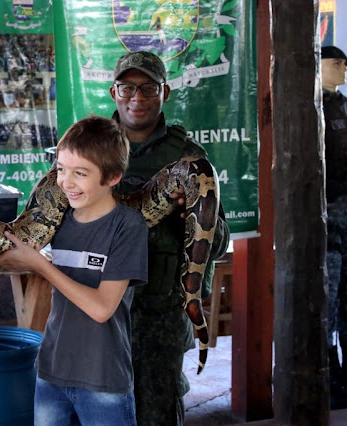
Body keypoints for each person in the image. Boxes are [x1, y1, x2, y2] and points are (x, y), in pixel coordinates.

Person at [0, 115, 147, 425]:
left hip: (103, 378)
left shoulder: (127, 226)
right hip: (51, 371)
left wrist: (42, 265)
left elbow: (101, 309)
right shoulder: (61, 222)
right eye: (60, 170)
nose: (66, 183)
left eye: (80, 173)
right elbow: (14, 258)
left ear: (112, 177)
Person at [109, 51, 230, 426]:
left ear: (166, 92)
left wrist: (187, 220)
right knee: (102, 407)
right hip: (99, 307)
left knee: (157, 410)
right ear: (114, 92)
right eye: (128, 87)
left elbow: (220, 239)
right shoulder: (89, 146)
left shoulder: (188, 155)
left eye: (148, 88)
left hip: (162, 307)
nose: (137, 97)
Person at [321, 45, 347, 408]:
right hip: (324, 214)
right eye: (336, 62)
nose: (343, 68)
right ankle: (327, 371)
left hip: (345, 207)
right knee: (326, 291)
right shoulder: (308, 107)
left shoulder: (341, 104)